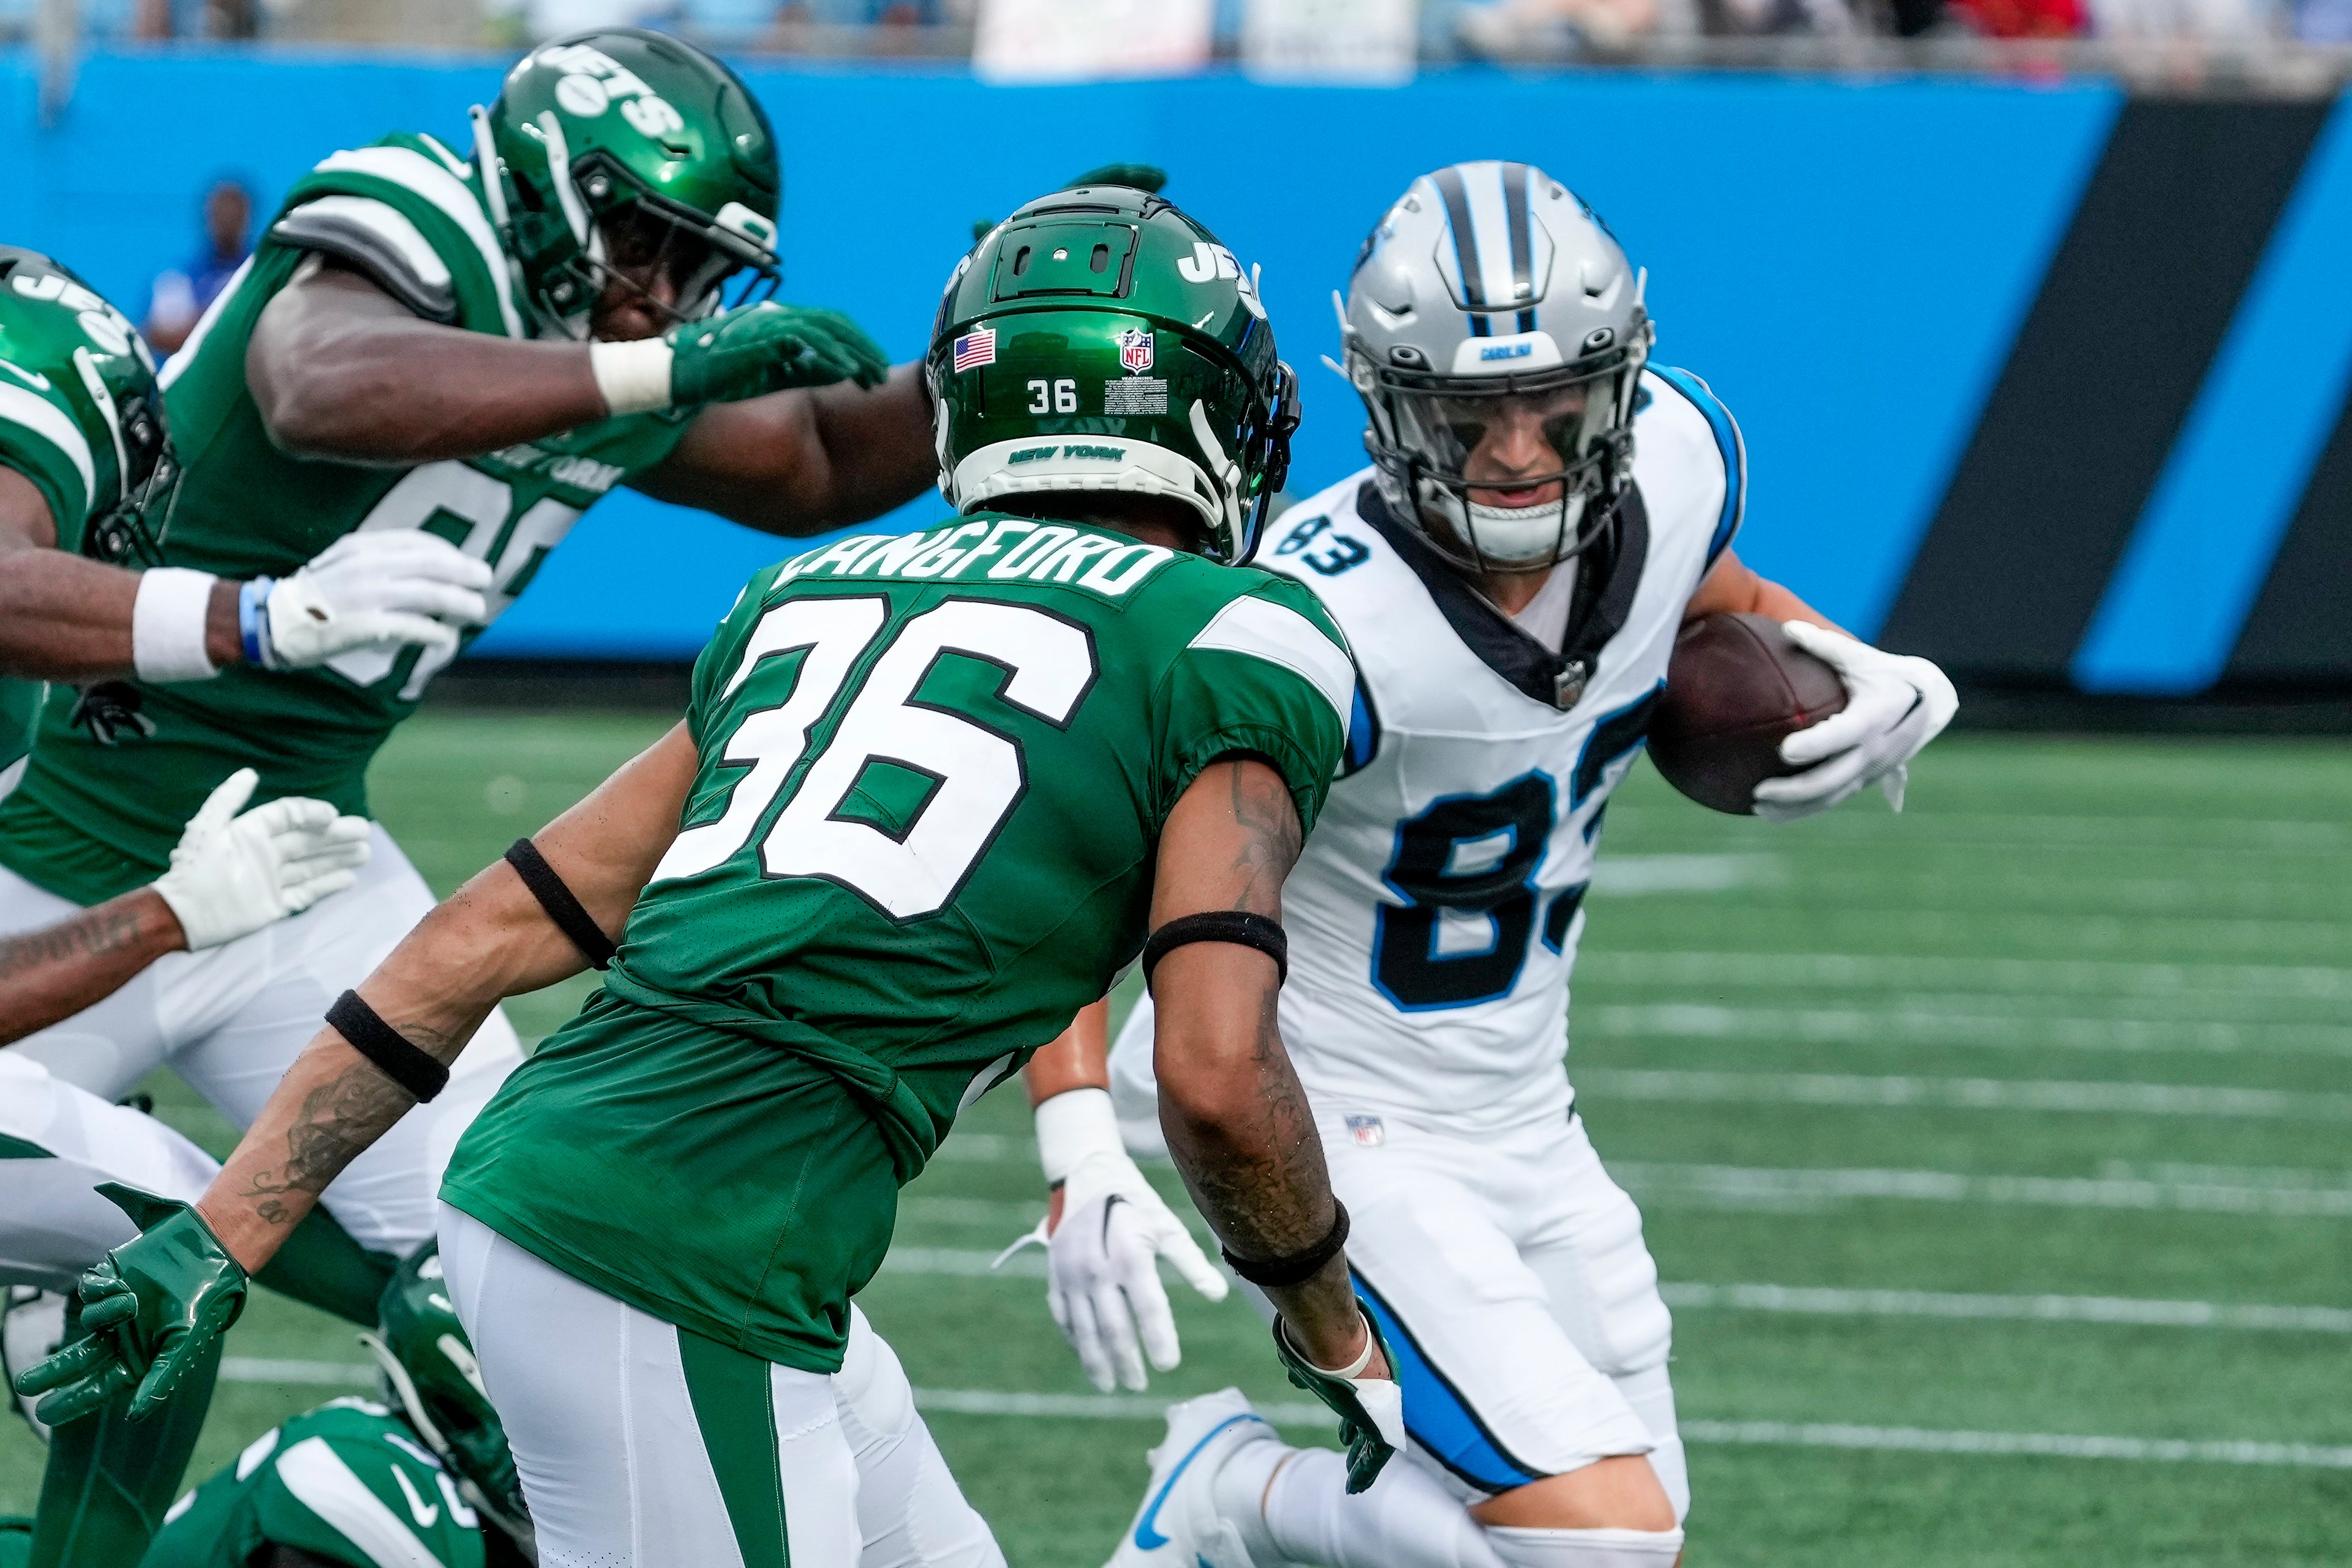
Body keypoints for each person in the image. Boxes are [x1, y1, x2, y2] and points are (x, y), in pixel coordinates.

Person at [15, 178, 1407, 1567]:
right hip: (672, 1253)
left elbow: (487, 930)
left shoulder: (822, 593)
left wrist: (221, 1234)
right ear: (1199, 409)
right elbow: (1215, 1076)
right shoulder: (1243, 635)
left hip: (668, 1223)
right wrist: (1331, 1330)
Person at [0, 28, 930, 1566]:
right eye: (645, 247)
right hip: (48, 859)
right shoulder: (427, 211)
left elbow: (820, 459)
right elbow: (318, 383)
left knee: (517, 1268)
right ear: (552, 193)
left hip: (293, 858)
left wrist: (981, 361)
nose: (666, 296)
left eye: (699, 271)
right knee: (129, 1248)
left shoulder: (612, 340)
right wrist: (644, 368)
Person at [1016, 161, 1958, 1568]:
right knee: (1595, 1544)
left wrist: (1857, 662)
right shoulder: (1314, 618)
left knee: (1628, 1536)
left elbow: (1711, 594)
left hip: (1526, 1109)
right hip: (1326, 1111)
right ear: (1385, 405)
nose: (1516, 450)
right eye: (1467, 415)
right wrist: (1075, 1128)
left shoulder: (1682, 464)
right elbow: (1087, 856)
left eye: (1553, 404)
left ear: (1619, 384)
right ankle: (1227, 1496)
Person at [143, 180, 255, 357]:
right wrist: (234, 317)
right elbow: (160, 336)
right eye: (221, 215)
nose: (227, 223)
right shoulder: (175, 275)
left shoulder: (257, 271)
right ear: (208, 218)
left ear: (247, 218)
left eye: (234, 216)